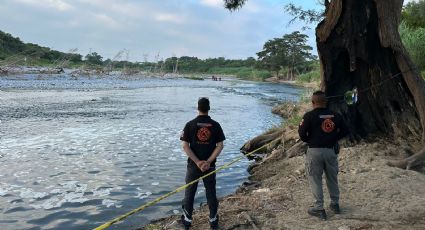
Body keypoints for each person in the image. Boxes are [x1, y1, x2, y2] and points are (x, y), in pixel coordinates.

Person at [298, 91, 349, 220]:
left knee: (315, 179)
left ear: (313, 102)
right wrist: (333, 138)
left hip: (314, 151)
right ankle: (335, 204)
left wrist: (310, 140)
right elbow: (345, 131)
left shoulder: (309, 116)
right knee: (332, 178)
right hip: (330, 151)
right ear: (326, 102)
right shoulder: (336, 116)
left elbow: (302, 134)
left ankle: (319, 208)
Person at [180, 97, 225, 229]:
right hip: (209, 167)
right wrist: (208, 162)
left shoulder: (190, 124)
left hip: (193, 166)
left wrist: (198, 162)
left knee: (189, 193)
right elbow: (220, 145)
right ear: (208, 108)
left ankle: (187, 222)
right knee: (211, 193)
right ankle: (213, 221)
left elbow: (185, 146)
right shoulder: (216, 125)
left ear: (198, 108)